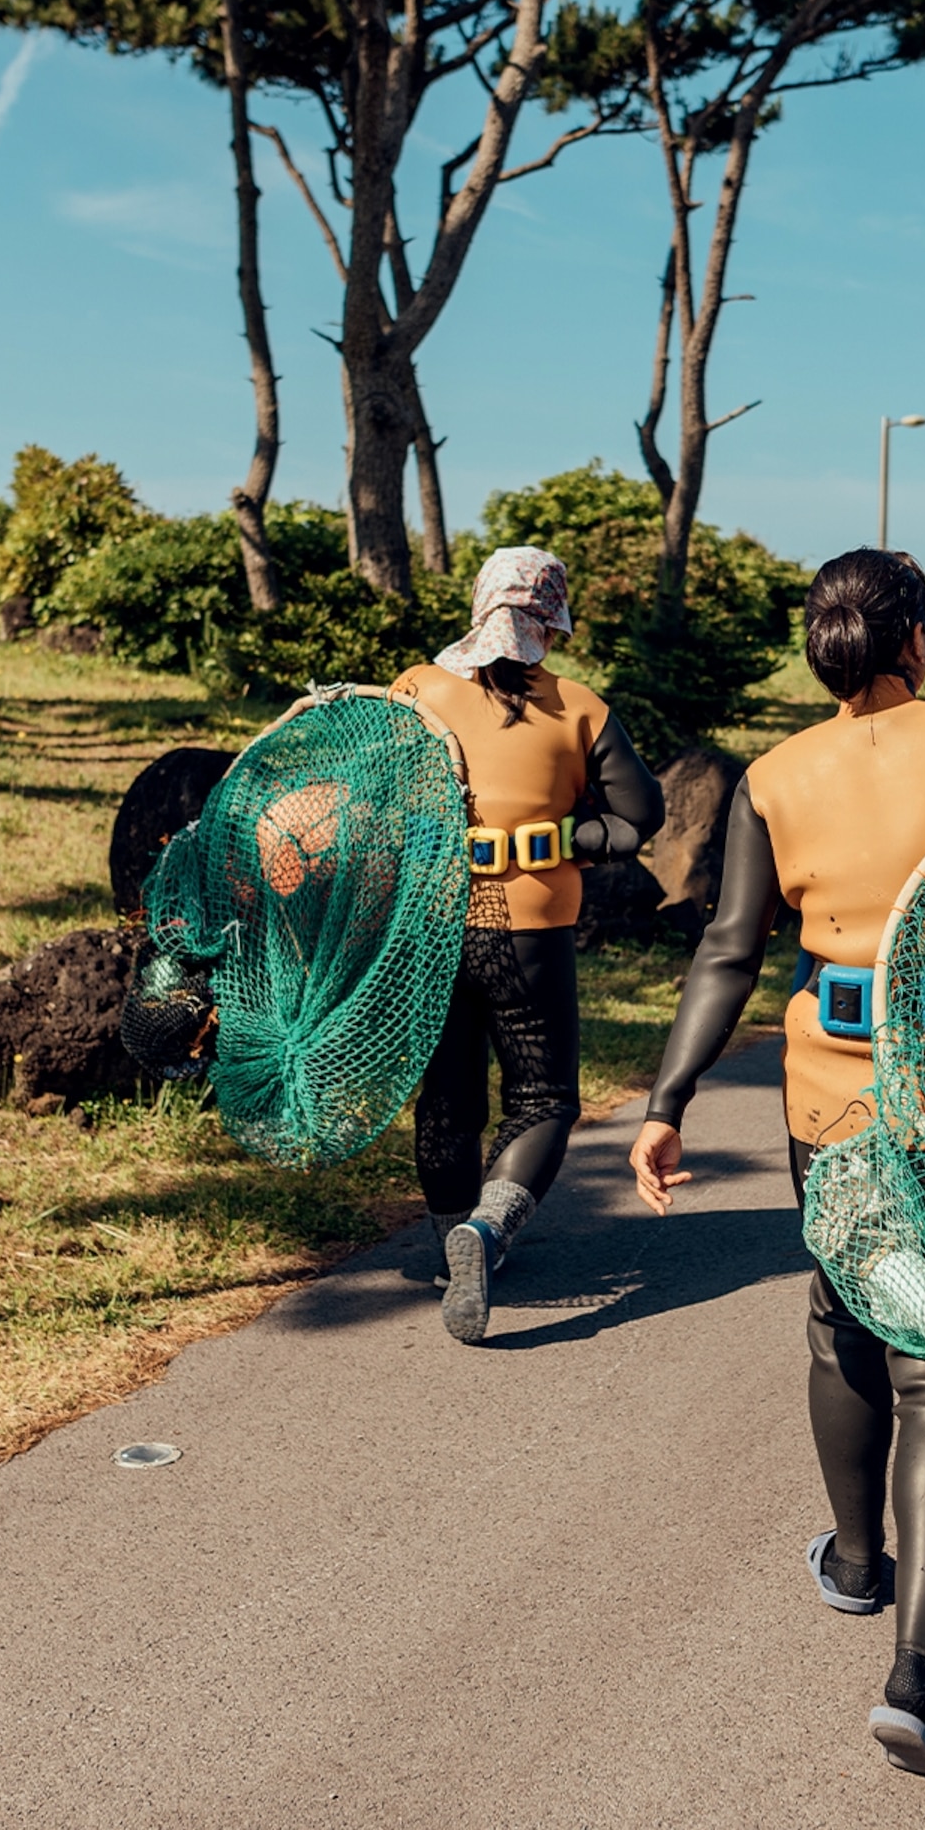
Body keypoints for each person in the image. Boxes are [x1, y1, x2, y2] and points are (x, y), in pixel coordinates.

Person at [627, 548, 925, 1780]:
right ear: (920, 635)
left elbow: (728, 951)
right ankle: (919, 1676)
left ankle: (858, 1561)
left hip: (833, 1101)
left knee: (846, 1321)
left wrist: (667, 1100)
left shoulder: (774, 775)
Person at [390, 547, 663, 1346]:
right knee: (542, 1099)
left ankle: (451, 1247)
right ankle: (488, 1231)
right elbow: (641, 815)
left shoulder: (418, 689)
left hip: (433, 927)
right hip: (534, 932)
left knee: (448, 1094)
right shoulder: (581, 709)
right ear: (552, 619)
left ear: (478, 608)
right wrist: (572, 836)